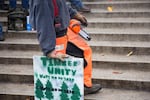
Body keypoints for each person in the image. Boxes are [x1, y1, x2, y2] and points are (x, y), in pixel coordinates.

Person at [29, 0, 101, 95]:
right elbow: (44, 23)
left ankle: (81, 84)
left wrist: (74, 14)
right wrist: (49, 50)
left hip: (61, 33)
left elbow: (60, 5)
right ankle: (78, 87)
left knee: (82, 53)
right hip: (55, 36)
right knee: (62, 66)